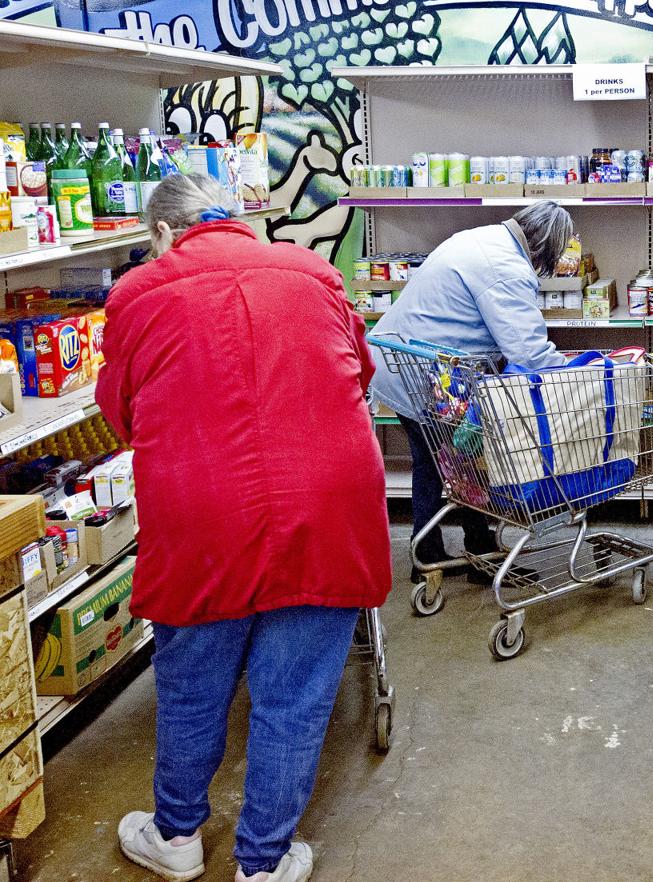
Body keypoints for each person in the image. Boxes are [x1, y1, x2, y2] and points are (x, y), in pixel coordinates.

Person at [96, 173, 391, 882]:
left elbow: (122, 411)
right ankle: (263, 863)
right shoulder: (313, 270)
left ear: (164, 233)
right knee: (293, 692)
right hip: (327, 497)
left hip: (200, 508)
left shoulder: (138, 294)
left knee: (192, 681)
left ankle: (176, 839)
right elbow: (360, 373)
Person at [370, 201, 571, 581]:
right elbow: (528, 352)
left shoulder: (482, 238)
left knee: (443, 462)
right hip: (428, 378)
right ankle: (463, 554)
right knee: (466, 460)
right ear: (545, 244)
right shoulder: (505, 268)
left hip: (402, 361)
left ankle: (441, 552)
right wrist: (576, 371)